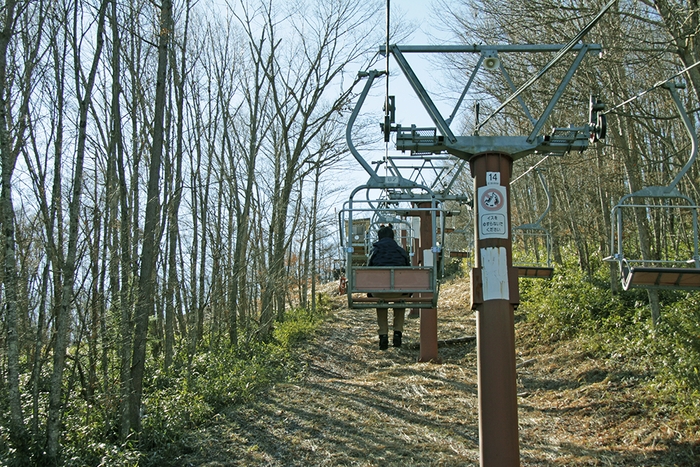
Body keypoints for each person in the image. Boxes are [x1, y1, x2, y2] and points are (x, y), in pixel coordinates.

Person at [367, 224, 411, 350]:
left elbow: (368, 272)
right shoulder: (401, 251)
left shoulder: (374, 251)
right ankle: (397, 332)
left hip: (380, 292)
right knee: (400, 303)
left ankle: (383, 335)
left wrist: (370, 292)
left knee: (381, 304)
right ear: (393, 237)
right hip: (399, 291)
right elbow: (408, 272)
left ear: (379, 238)